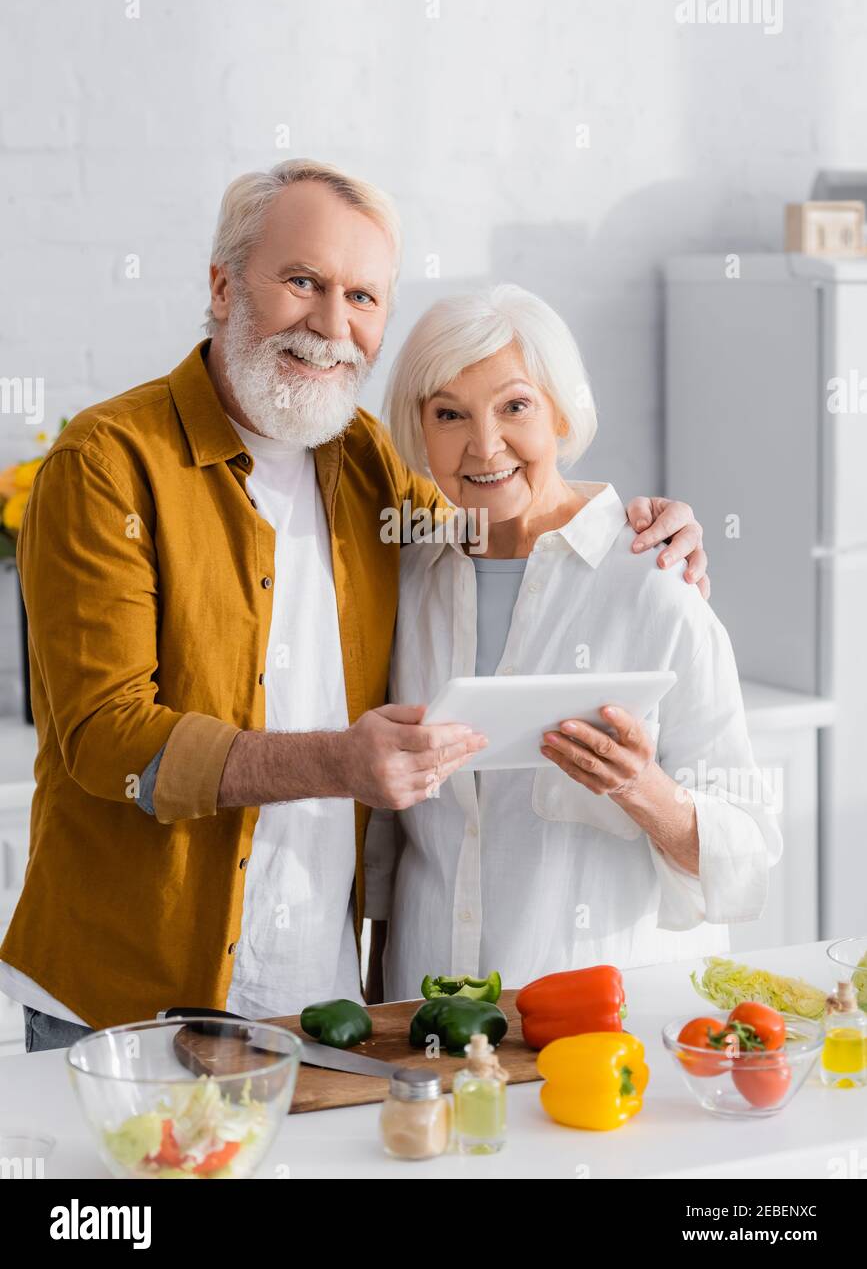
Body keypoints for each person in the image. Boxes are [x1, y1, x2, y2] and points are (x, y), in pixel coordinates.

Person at [0, 159, 710, 1051]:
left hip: (321, 999)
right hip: (127, 1002)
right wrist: (340, 762)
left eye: (364, 297)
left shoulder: (366, 461)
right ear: (223, 287)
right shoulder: (108, 463)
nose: (332, 327)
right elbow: (105, 738)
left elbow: (497, 490)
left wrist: (642, 524)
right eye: (302, 282)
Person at [364, 284, 782, 1001]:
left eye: (514, 406)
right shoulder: (408, 578)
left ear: (559, 410)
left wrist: (641, 790)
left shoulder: (653, 580)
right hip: (426, 1009)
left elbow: (748, 859)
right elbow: (389, 830)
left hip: (597, 1022)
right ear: (419, 429)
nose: (483, 444)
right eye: (449, 414)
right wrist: (378, 993)